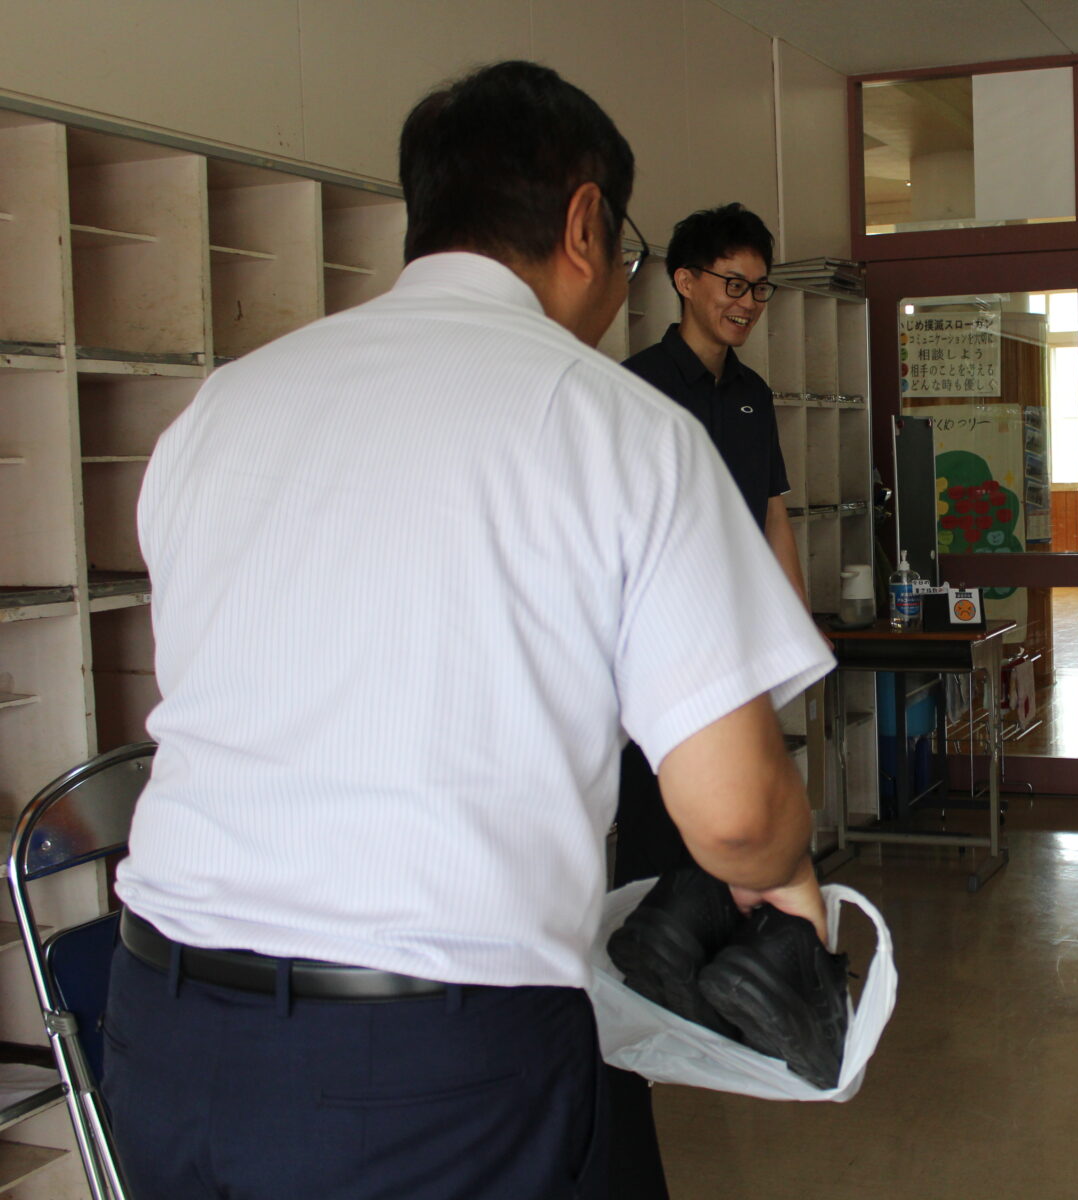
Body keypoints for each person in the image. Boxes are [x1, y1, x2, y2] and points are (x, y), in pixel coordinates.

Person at [105, 60, 834, 1200]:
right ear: (586, 220)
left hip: (163, 1032)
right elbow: (737, 814)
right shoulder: (621, 429)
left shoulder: (224, 406)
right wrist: (787, 868)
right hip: (423, 1058)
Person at [604, 203, 802, 1198]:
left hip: (736, 649)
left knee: (739, 825)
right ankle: (653, 999)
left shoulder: (754, 396)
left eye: (760, 287)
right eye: (732, 282)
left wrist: (791, 636)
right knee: (657, 829)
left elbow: (772, 511)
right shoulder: (636, 388)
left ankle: (721, 988)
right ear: (681, 279)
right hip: (658, 652)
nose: (747, 302)